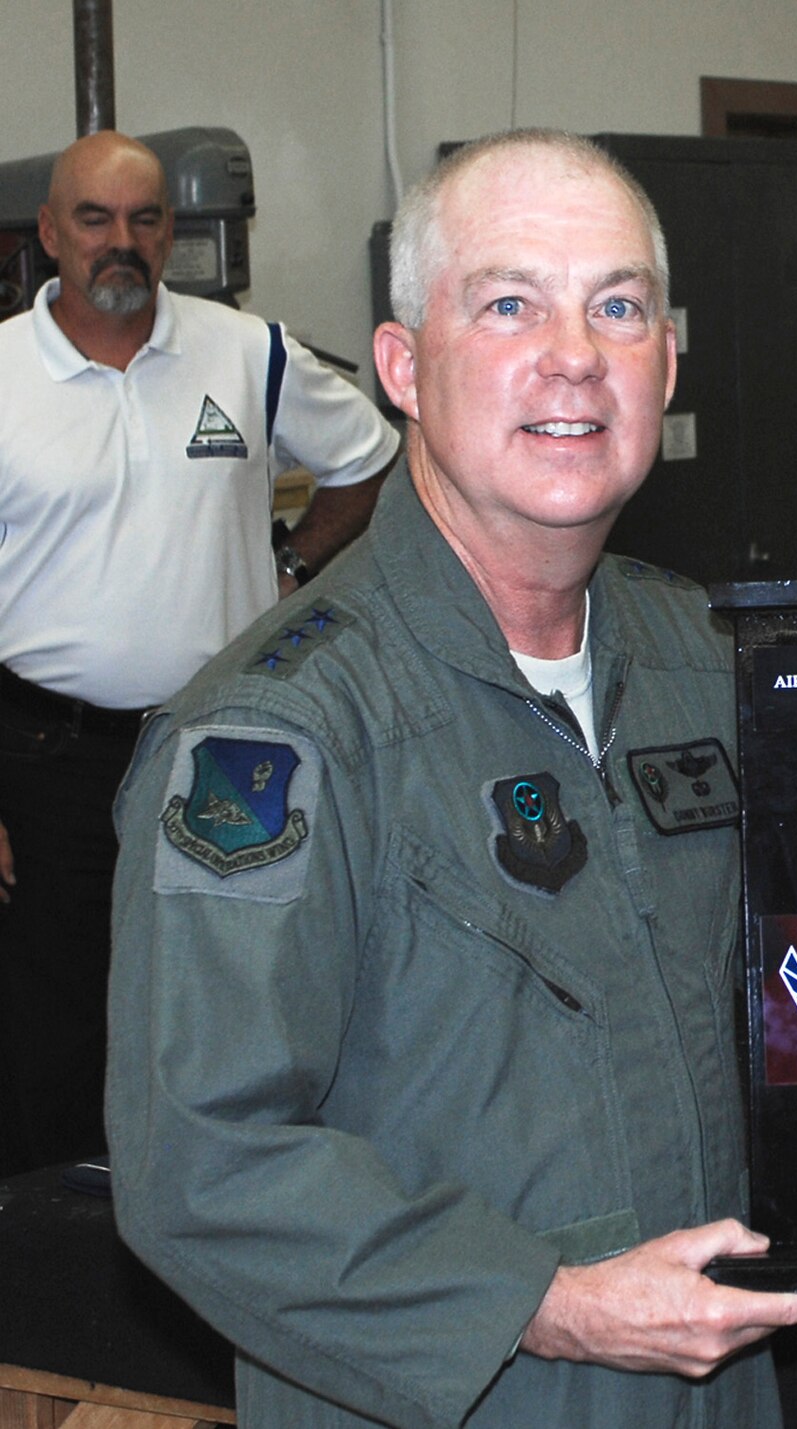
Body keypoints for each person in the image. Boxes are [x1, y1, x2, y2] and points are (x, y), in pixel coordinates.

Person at [106, 130, 797, 1427]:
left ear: (667, 360)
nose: (575, 352)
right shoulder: (272, 734)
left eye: (618, 306)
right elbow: (200, 1166)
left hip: (716, 1388)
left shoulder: (714, 662)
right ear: (401, 367)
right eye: (509, 304)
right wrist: (546, 1301)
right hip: (458, 1394)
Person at [0, 130, 397, 1175]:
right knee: (57, 1003)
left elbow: (370, 459)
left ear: (170, 232)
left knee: (229, 980)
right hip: (47, 752)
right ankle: (57, 1252)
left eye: (144, 219)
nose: (120, 242)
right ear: (48, 234)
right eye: (94, 219)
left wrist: (294, 567)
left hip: (220, 745)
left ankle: (217, 1205)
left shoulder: (247, 353)